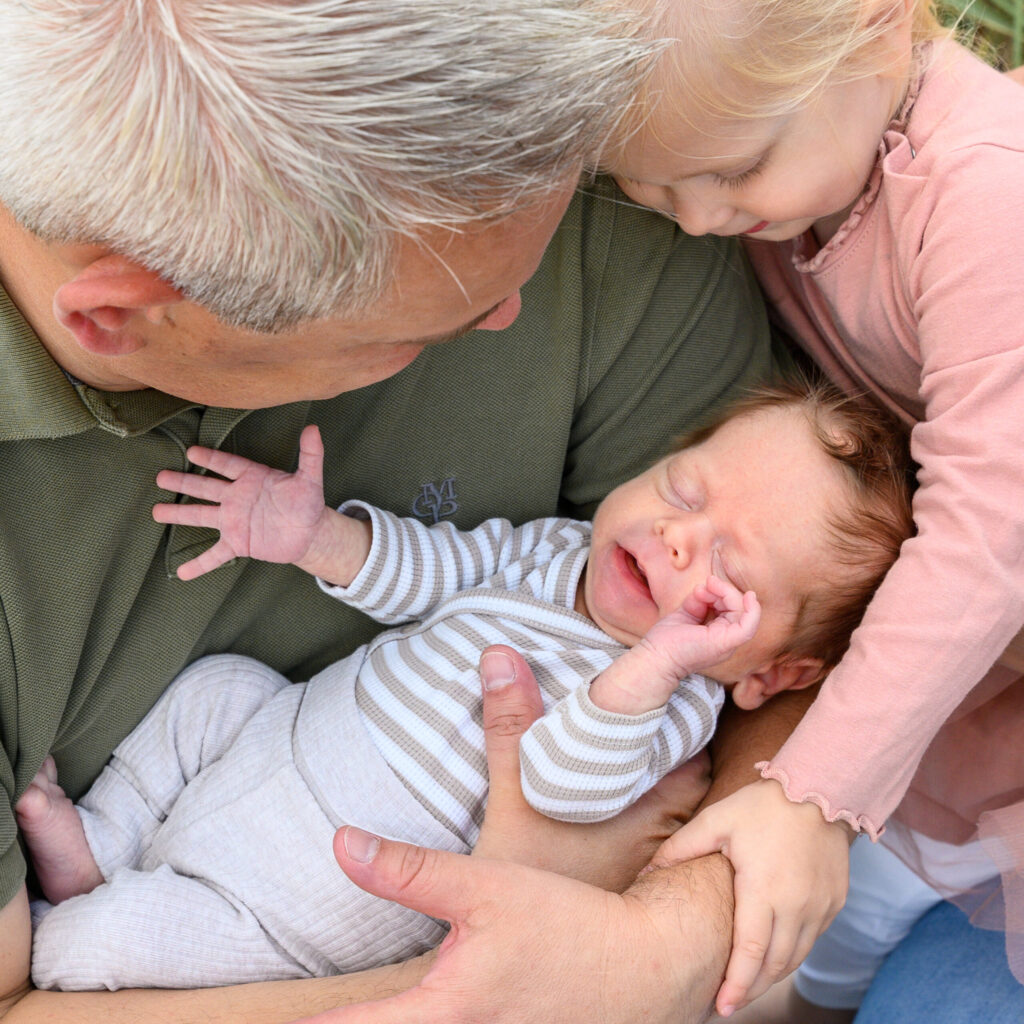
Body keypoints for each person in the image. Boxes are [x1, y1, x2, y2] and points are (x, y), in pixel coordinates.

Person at [0, 2, 797, 1021]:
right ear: (121, 313)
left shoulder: (571, 166)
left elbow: (801, 617)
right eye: (431, 326)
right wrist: (510, 977)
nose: (511, 308)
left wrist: (682, 924)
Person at [19, 379, 913, 992]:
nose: (680, 538)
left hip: (303, 908)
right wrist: (314, 537)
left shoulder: (673, 708)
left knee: (88, 947)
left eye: (726, 568)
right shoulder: (558, 550)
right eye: (682, 490)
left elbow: (556, 781)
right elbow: (434, 570)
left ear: (771, 674)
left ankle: (98, 910)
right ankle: (105, 839)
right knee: (217, 689)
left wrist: (659, 662)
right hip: (281, 735)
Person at [601, 0, 1024, 1018]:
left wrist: (809, 791)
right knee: (848, 933)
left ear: (879, 30)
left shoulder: (983, 196)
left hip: (987, 602)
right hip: (964, 658)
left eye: (733, 170)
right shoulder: (803, 153)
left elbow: (993, 525)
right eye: (651, 184)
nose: (697, 218)